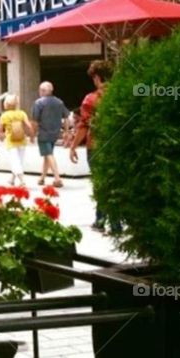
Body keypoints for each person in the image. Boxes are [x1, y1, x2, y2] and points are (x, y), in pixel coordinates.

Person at [70, 60, 116, 231]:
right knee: (114, 183)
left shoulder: (91, 99)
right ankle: (116, 222)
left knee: (100, 183)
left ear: (97, 77)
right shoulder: (120, 95)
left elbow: (84, 125)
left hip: (96, 145)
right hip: (116, 145)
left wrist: (74, 146)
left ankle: (101, 220)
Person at [31, 81, 69, 188]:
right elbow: (66, 117)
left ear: (43, 91)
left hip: (43, 133)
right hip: (55, 133)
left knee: (48, 154)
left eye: (40, 90)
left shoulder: (38, 103)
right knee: (47, 155)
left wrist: (33, 134)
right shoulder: (59, 102)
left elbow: (35, 121)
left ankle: (57, 178)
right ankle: (42, 177)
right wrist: (66, 132)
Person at [0, 94, 34, 187]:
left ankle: (22, 181)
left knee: (15, 161)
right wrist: (32, 136)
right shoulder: (22, 113)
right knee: (19, 161)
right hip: (22, 140)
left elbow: (0, 129)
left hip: (11, 141)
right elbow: (29, 126)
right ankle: (12, 179)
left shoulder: (4, 115)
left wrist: (0, 138)